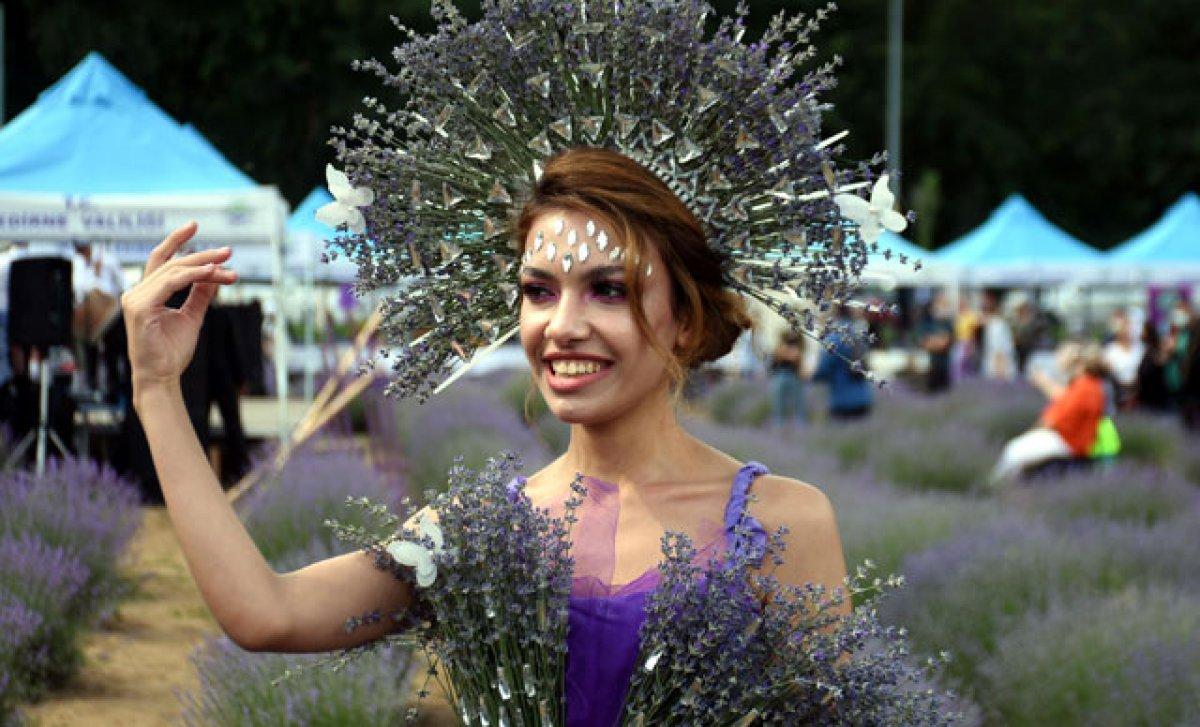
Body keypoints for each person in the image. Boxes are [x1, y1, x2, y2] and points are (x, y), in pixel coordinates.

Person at [121, 150, 850, 725]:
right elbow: (266, 612)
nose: (562, 324)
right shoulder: (484, 533)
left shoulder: (781, 525)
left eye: (609, 289)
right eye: (539, 291)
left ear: (685, 319)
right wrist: (158, 390)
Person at [990, 342, 1108, 483]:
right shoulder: (1093, 386)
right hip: (1075, 442)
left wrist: (1036, 429)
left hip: (1068, 442)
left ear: (1082, 365)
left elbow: (1057, 418)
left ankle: (996, 486)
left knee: (1013, 451)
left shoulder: (1084, 387)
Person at [812, 306, 873, 420]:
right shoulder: (858, 332)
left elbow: (824, 369)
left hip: (843, 400)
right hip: (863, 397)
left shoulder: (834, 337)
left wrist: (809, 375)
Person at [1102, 308, 1143, 409]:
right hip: (1118, 399)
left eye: (1127, 325)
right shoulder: (1109, 351)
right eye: (1121, 326)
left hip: (1139, 400)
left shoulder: (1141, 349)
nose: (1125, 330)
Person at [768, 329, 807, 428]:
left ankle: (798, 425)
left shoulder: (798, 344)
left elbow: (796, 358)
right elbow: (778, 357)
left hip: (793, 375)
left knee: (798, 403)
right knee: (779, 403)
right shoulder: (782, 344)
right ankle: (779, 425)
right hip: (781, 374)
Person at [918, 291, 954, 394]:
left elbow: (946, 343)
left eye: (944, 304)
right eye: (940, 303)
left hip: (944, 368)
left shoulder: (948, 323)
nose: (942, 307)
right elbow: (924, 343)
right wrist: (937, 342)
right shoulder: (927, 323)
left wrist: (934, 342)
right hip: (931, 367)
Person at [980, 291, 1016, 381]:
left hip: (998, 372)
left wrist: (1000, 373)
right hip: (999, 370)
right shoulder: (998, 324)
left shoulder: (996, 326)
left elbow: (999, 351)